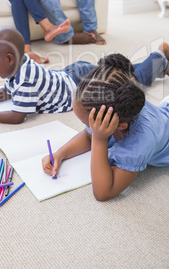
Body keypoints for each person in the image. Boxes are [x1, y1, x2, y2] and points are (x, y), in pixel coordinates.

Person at [0, 26, 169, 125]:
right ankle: (160, 63)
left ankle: (158, 56)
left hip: (80, 84)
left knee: (126, 85)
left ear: (9, 59)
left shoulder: (26, 79)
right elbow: (9, 90)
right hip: (71, 73)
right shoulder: (20, 64)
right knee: (117, 74)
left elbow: (17, 116)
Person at [42, 53, 169, 201]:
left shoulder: (140, 142)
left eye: (89, 124)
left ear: (121, 125)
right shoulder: (125, 105)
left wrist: (100, 138)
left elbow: (103, 192)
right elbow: (87, 136)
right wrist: (60, 154)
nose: (88, 128)